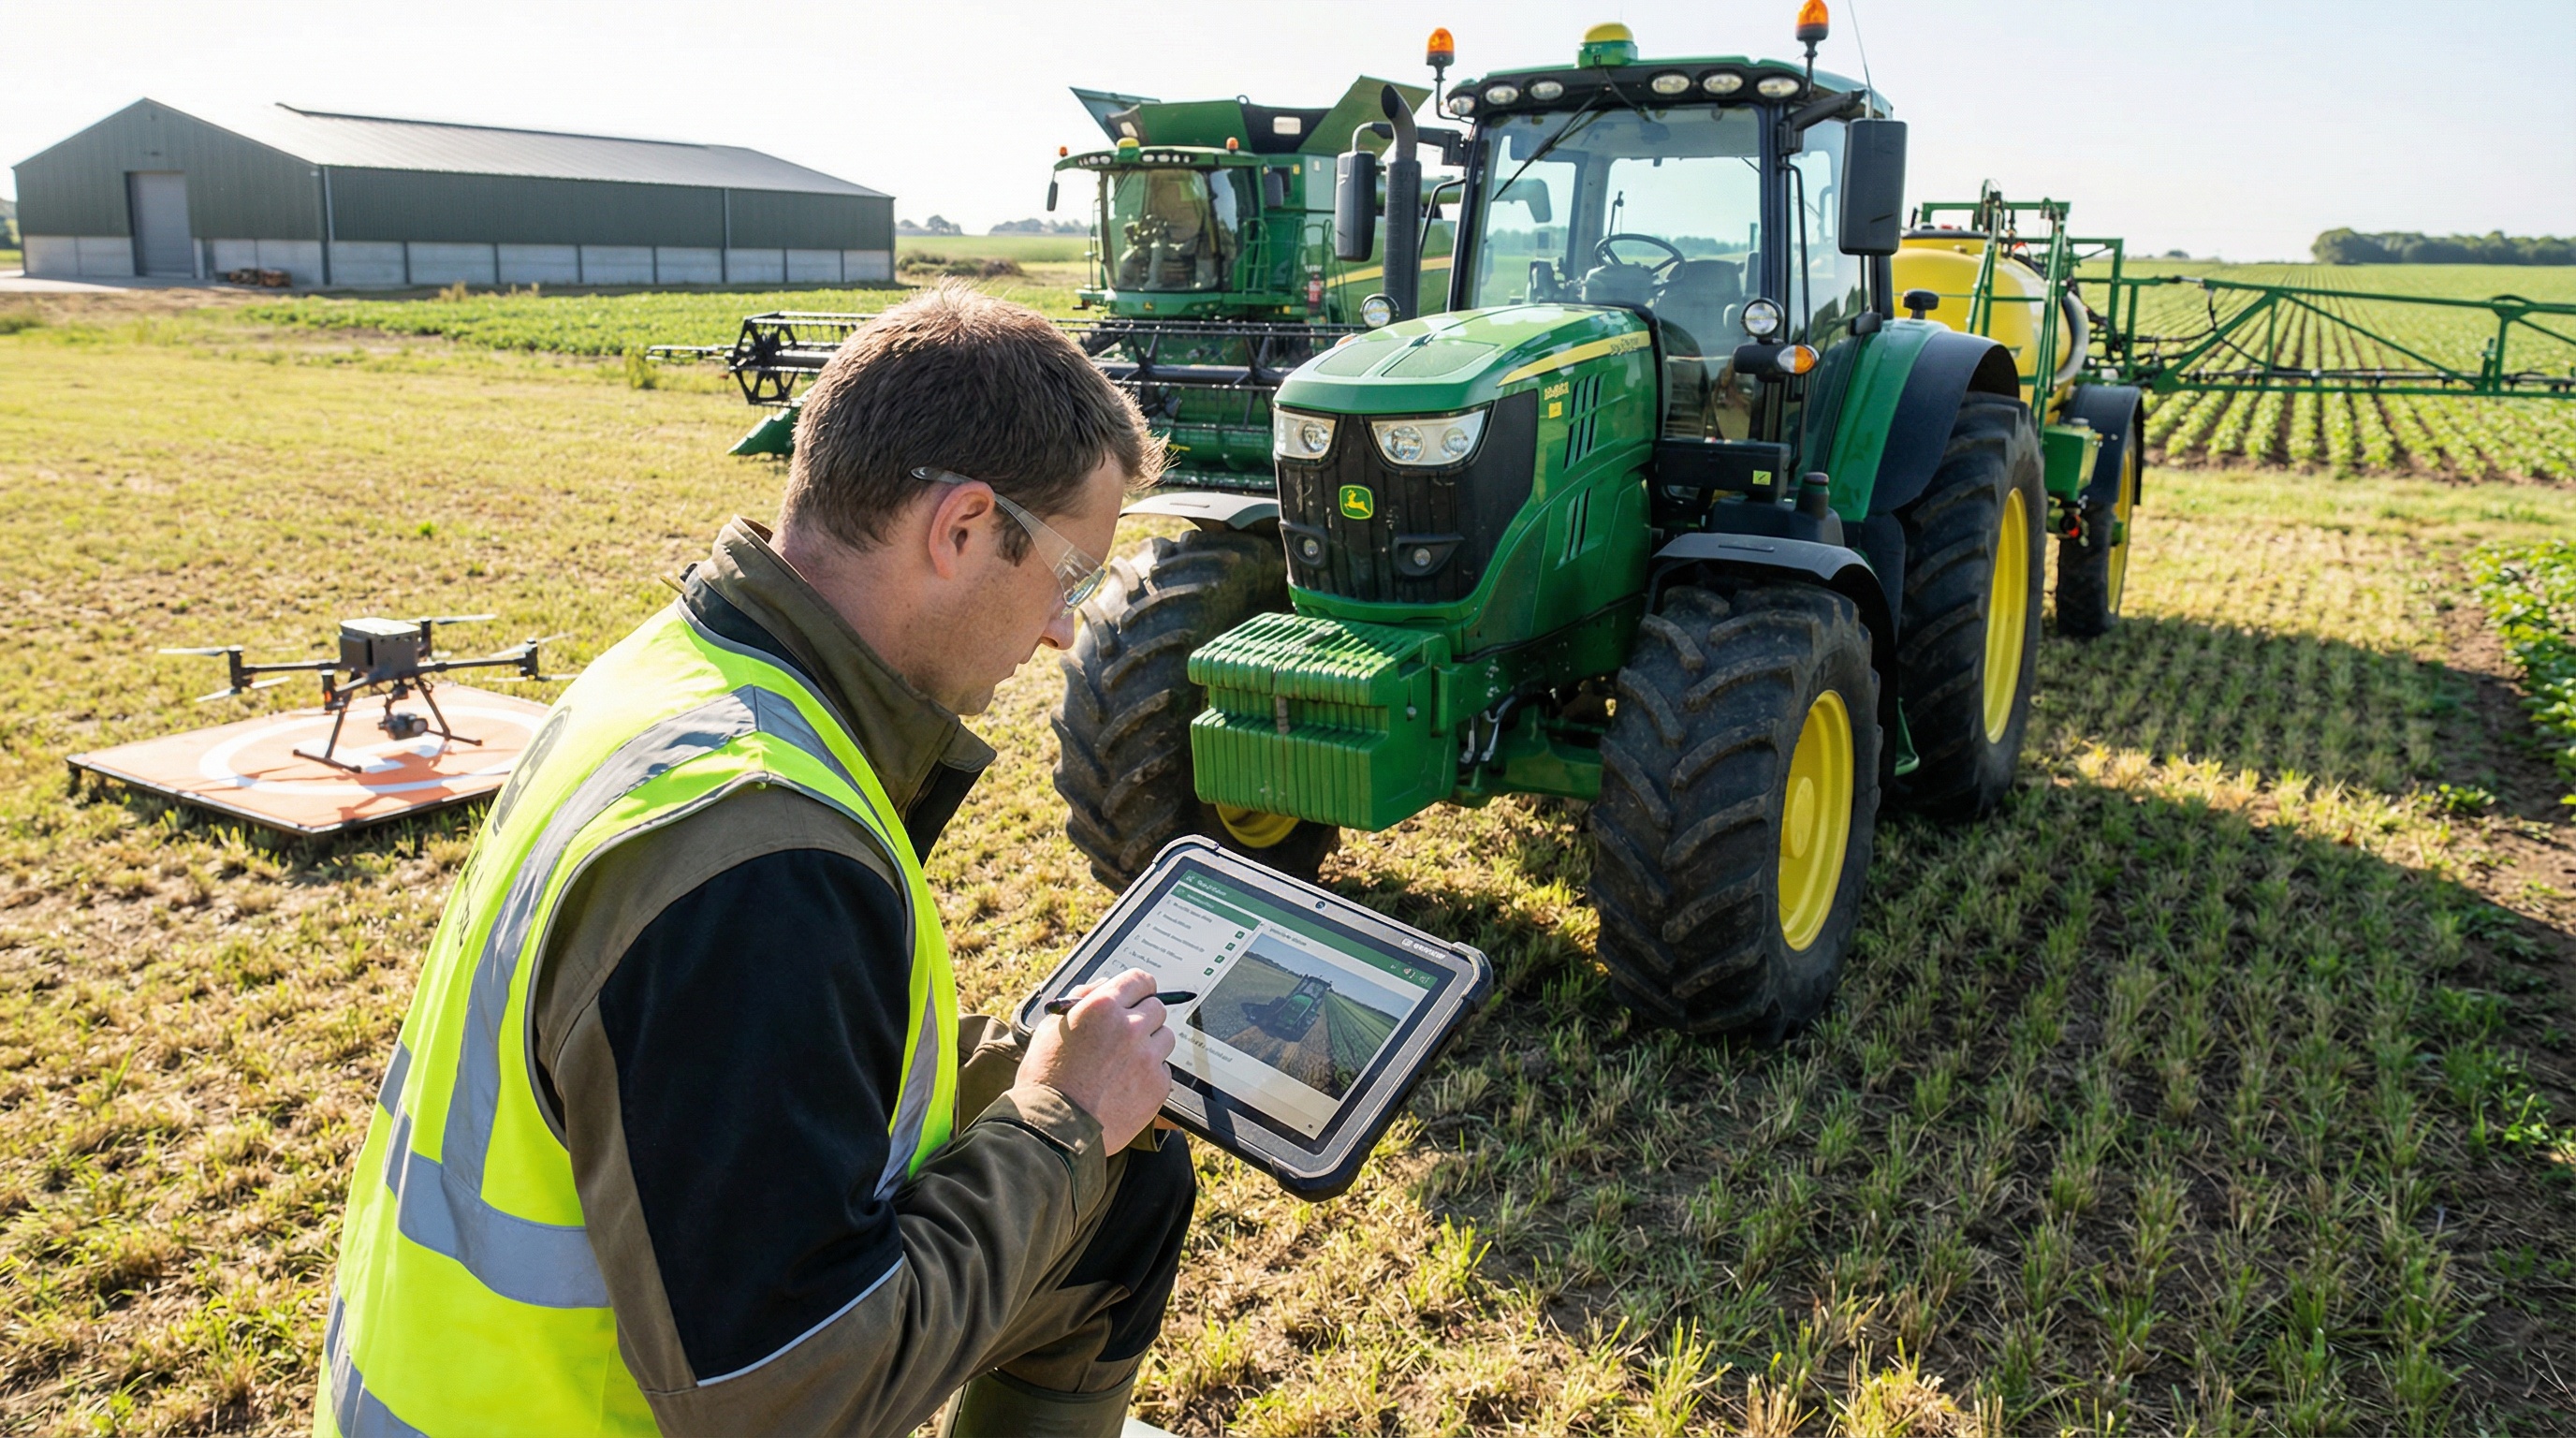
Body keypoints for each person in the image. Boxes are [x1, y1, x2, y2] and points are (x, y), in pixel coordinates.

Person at [317, 283, 1194, 1438]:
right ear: (964, 527)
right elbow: (794, 1400)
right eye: (1070, 578)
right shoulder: (761, 854)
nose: (1061, 631)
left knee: (1129, 1189)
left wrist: (1021, 1079)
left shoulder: (673, 676)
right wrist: (1062, 1122)